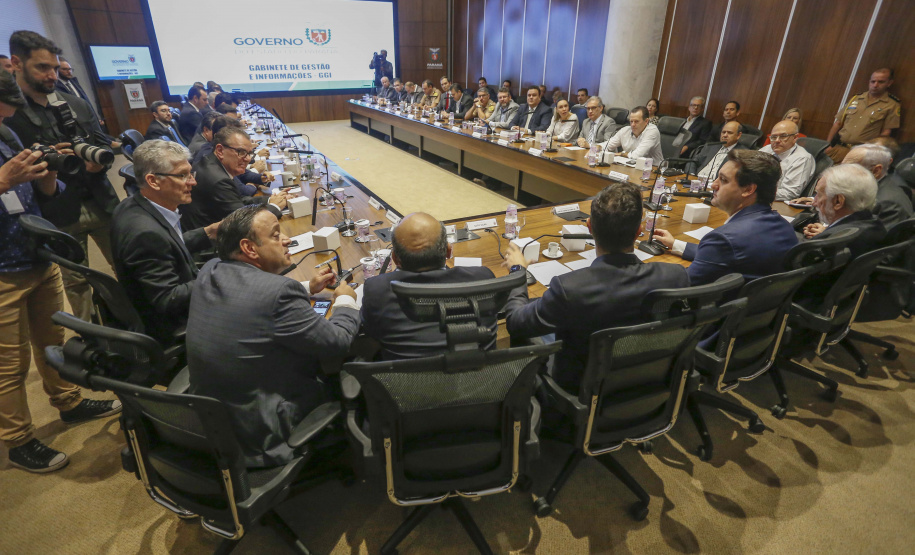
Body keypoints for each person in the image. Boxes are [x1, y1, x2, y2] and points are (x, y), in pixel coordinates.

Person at [0, 69, 120, 473]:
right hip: (2, 270)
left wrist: (49, 175)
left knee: (50, 338)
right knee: (9, 365)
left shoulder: (7, 134)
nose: (4, 122)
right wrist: (3, 179)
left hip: (36, 251)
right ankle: (19, 441)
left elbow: (42, 193)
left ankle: (68, 401)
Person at [187, 204, 359, 467]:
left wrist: (306, 287)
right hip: (262, 431)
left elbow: (250, 297)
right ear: (249, 248)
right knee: (356, 366)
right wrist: (345, 301)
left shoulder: (211, 269)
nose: (286, 240)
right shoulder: (278, 294)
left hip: (213, 420)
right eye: (276, 235)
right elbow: (338, 342)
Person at [502, 182, 689, 393]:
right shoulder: (676, 276)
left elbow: (516, 322)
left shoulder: (569, 288)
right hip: (646, 381)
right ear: (639, 232)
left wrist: (518, 270)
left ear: (589, 227)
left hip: (579, 391)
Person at [5, 31, 119, 322]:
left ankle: (137, 327)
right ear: (16, 63)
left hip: (101, 199)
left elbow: (102, 142)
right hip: (56, 212)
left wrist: (97, 164)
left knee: (125, 266)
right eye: (42, 67)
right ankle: (92, 343)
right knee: (76, 283)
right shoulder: (9, 115)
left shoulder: (76, 103)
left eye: (55, 67)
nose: (52, 75)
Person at [110, 140, 218, 346]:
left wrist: (209, 232)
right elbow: (167, 299)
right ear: (153, 181)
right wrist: (221, 274)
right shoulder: (145, 234)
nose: (192, 182)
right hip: (178, 326)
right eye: (182, 175)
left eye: (190, 174)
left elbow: (168, 246)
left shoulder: (132, 205)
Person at [361, 213, 506, 359]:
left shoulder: (377, 289)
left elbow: (369, 330)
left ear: (395, 259)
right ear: (449, 251)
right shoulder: (482, 278)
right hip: (479, 379)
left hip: (410, 380)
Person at [652, 150, 798, 285]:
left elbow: (683, 286)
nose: (713, 185)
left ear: (748, 189)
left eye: (723, 180)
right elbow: (726, 256)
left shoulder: (724, 239)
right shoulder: (785, 228)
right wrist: (677, 244)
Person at [180, 127, 288, 230]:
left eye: (249, 153)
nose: (248, 159)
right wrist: (275, 207)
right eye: (241, 152)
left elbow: (237, 200)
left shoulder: (212, 162)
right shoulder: (217, 179)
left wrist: (269, 200)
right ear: (220, 150)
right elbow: (244, 224)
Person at [791, 144, 914, 228]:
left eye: (850, 167)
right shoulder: (871, 186)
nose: (842, 171)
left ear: (876, 170)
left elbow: (877, 250)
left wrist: (830, 233)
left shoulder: (888, 201)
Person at [826, 68, 900, 164]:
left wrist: (873, 152)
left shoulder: (892, 104)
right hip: (839, 148)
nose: (875, 85)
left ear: (889, 83)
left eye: (881, 82)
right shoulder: (856, 99)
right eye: (873, 81)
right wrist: (827, 145)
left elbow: (886, 133)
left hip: (862, 152)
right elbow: (838, 123)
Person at [758, 120, 814, 201]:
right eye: (773, 137)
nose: (777, 140)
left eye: (783, 136)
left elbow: (789, 193)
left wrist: (756, 193)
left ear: (795, 138)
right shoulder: (767, 149)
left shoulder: (802, 158)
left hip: (778, 204)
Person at [599, 106, 664, 162]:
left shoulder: (652, 131)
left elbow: (637, 155)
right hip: (630, 166)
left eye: (636, 121)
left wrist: (622, 153)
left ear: (646, 121)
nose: (632, 125)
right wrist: (596, 147)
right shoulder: (625, 130)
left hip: (652, 170)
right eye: (631, 121)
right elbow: (608, 144)